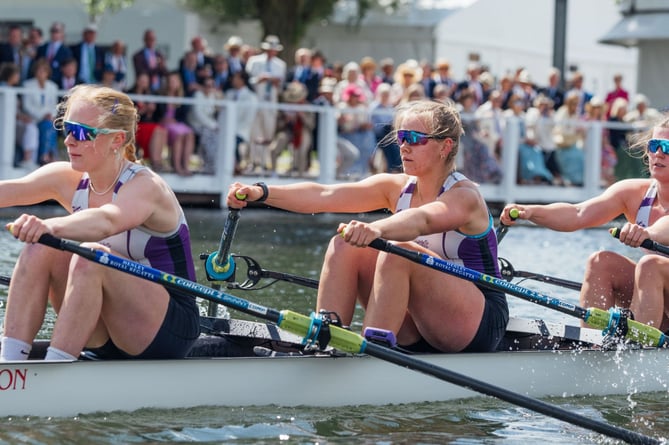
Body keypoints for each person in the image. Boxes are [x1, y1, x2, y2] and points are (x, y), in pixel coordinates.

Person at [227, 99, 508, 353]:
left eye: (414, 138)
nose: (404, 146)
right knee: (345, 243)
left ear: (445, 146)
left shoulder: (465, 197)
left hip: (477, 323)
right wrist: (262, 192)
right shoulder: (394, 187)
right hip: (420, 320)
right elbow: (325, 195)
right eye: (400, 137)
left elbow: (423, 220)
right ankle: (329, 335)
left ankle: (372, 349)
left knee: (398, 250)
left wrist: (378, 229)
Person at [0, 84, 200, 362]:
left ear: (117, 140)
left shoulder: (147, 187)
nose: (70, 140)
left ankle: (54, 372)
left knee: (92, 256)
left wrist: (51, 226)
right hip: (103, 328)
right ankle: (11, 364)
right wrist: (45, 234)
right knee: (40, 247)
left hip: (166, 331)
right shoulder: (65, 177)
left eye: (82, 133)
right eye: (68, 128)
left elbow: (108, 220)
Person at [499, 115, 669, 333]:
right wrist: (531, 211)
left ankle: (638, 350)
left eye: (666, 147)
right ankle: (592, 344)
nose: (658, 153)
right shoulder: (633, 193)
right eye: (654, 145)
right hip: (655, 299)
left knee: (650, 265)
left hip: (657, 279)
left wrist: (647, 233)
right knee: (600, 261)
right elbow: (578, 213)